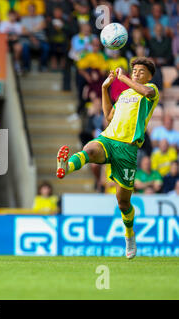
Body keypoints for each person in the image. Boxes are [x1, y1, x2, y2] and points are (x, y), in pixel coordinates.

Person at [56, 57, 160, 259]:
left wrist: (124, 78)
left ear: (149, 75)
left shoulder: (150, 91)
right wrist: (105, 88)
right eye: (134, 70)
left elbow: (146, 91)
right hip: (109, 138)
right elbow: (108, 116)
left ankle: (129, 235)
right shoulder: (124, 94)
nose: (136, 73)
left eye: (140, 71)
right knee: (91, 148)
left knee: (122, 202)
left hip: (128, 149)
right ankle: (66, 166)